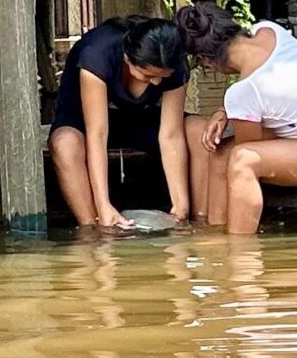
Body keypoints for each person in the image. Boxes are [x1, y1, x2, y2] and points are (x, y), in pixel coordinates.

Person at [177, 2, 297, 236]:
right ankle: (213, 235)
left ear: (206, 60)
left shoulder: (243, 92)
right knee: (220, 155)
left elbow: (251, 146)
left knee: (242, 160)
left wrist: (230, 109)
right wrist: (225, 111)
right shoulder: (269, 30)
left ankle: (239, 250)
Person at [47, 13, 190, 230]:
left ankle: (204, 220)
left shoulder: (173, 61)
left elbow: (171, 134)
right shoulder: (97, 54)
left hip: (140, 119)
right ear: (127, 57)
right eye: (148, 75)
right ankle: (93, 228)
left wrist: (180, 205)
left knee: (199, 131)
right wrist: (103, 204)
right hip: (86, 123)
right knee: (64, 144)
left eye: (163, 76)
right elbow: (98, 133)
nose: (157, 82)